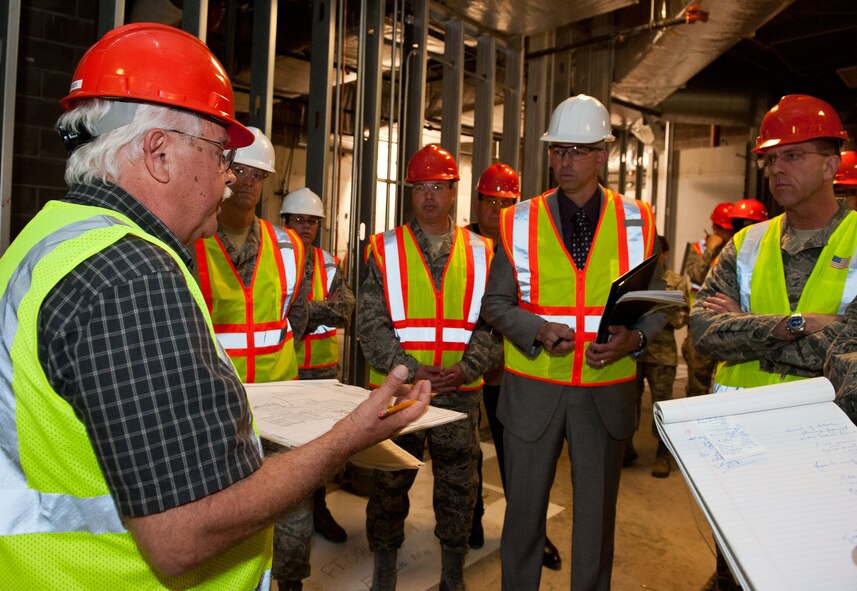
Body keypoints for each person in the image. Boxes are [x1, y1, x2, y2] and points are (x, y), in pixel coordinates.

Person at [0, 23, 431, 589]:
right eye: (221, 154)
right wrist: (349, 437)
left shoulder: (50, 235)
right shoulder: (131, 275)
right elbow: (184, 537)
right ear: (158, 153)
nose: (230, 178)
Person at [481, 93, 664, 591]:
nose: (564, 162)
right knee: (522, 519)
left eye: (577, 151)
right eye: (557, 151)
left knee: (595, 522)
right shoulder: (518, 220)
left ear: (602, 155)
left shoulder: (638, 221)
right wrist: (536, 329)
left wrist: (635, 339)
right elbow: (494, 304)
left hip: (604, 392)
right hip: (534, 386)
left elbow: (659, 306)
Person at [689, 94, 857, 591]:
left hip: (828, 447)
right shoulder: (745, 244)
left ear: (831, 164)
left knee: (816, 569)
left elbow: (850, 354)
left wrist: (747, 325)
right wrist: (800, 324)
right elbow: (703, 333)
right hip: (741, 443)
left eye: (793, 155)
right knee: (735, 570)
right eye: (770, 158)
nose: (776, 169)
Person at [358, 144, 499, 591]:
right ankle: (384, 572)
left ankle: (452, 574)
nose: (430, 197)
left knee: (459, 488)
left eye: (439, 187)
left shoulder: (484, 251)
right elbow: (371, 324)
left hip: (459, 393)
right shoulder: (384, 249)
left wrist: (468, 368)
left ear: (454, 192)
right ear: (410, 193)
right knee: (389, 483)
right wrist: (411, 369)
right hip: (400, 393)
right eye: (421, 188)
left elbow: (493, 323)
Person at [194, 128, 315, 591]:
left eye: (257, 174)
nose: (246, 181)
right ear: (223, 171)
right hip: (218, 407)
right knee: (225, 512)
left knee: (290, 512)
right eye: (238, 169)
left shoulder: (289, 247)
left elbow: (297, 317)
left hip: (281, 405)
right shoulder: (192, 239)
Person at [465, 163, 561, 569]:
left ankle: (531, 535)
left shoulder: (527, 242)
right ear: (479, 203)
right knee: (466, 453)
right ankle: (470, 516)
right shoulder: (460, 244)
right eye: (492, 202)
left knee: (518, 459)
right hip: (466, 367)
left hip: (512, 367)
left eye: (508, 203)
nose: (499, 211)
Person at [281, 186, 355, 546]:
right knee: (288, 454)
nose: (305, 227)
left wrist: (306, 310)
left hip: (323, 374)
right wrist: (318, 306)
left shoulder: (329, 263)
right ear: (285, 221)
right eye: (298, 219)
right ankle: (290, 518)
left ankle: (319, 510)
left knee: (321, 450)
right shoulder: (276, 259)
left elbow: (345, 309)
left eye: (311, 221)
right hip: (285, 372)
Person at [631, 235, 689, 478]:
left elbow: (681, 318)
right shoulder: (635, 277)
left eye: (658, 254)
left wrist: (663, 312)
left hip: (662, 354)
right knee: (628, 403)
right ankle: (625, 448)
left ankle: (663, 453)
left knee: (662, 405)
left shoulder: (675, 282)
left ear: (665, 254)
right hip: (633, 353)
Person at [680, 202, 734, 399]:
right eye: (727, 229)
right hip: (701, 327)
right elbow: (695, 275)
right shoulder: (700, 248)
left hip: (728, 325)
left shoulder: (737, 248)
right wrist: (710, 250)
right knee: (698, 387)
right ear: (716, 228)